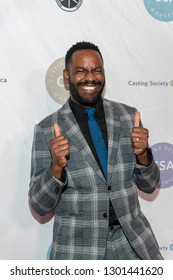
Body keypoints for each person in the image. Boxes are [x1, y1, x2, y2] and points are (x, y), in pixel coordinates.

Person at [29, 41, 163, 260]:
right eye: (80, 71)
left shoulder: (128, 117)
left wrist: (143, 156)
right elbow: (39, 205)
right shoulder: (46, 129)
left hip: (133, 246)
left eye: (96, 70)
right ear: (66, 77)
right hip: (79, 252)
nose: (90, 77)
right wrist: (55, 168)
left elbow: (150, 186)